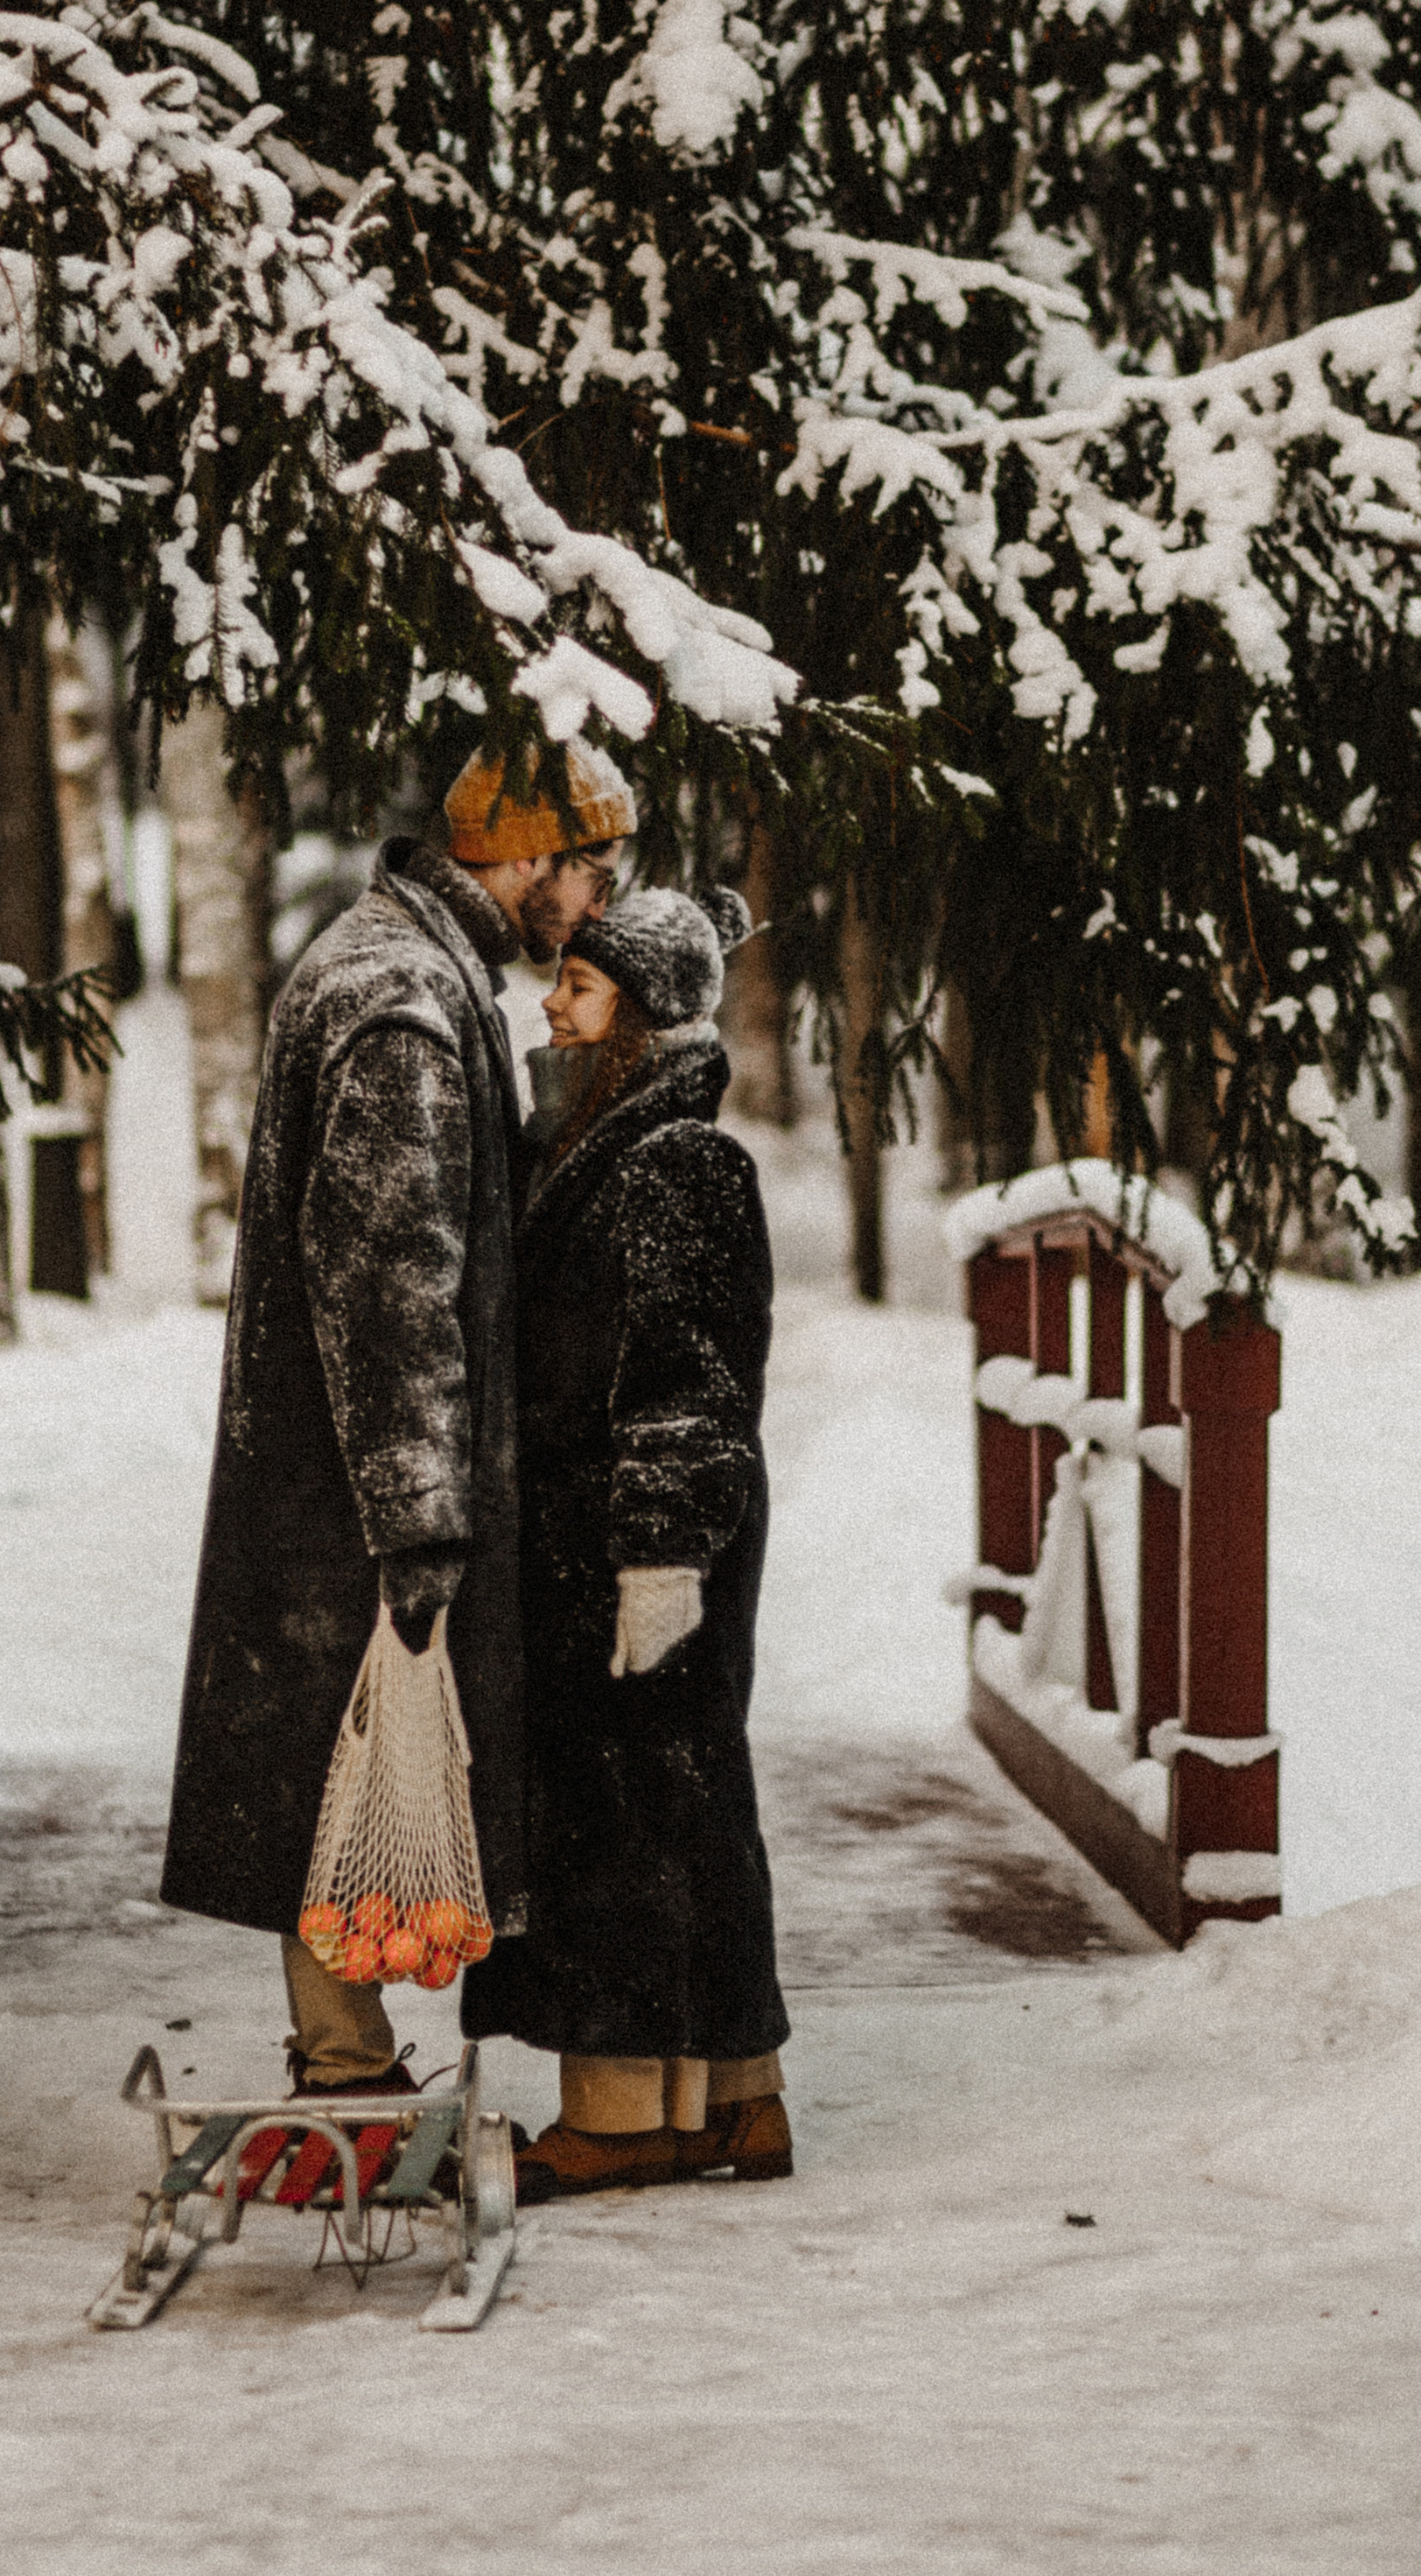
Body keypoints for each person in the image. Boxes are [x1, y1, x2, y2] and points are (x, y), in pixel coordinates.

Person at [159, 740, 633, 2096]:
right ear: (525, 857)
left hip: (335, 1471)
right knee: (345, 1765)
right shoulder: (405, 1001)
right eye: (592, 872)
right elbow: (390, 1278)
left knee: (341, 1769)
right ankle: (344, 2068)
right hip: (354, 1488)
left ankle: (347, 2057)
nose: (599, 904)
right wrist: (420, 1512)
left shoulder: (405, 967)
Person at [459, 884, 791, 2197]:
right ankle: (736, 2101)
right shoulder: (617, 1145)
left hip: (640, 1544)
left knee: (624, 1820)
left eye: (582, 989)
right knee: (686, 1803)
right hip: (621, 1539)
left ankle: (622, 2113)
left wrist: (660, 1560)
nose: (550, 1002)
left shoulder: (671, 1164)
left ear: (644, 1017)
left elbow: (686, 1377)